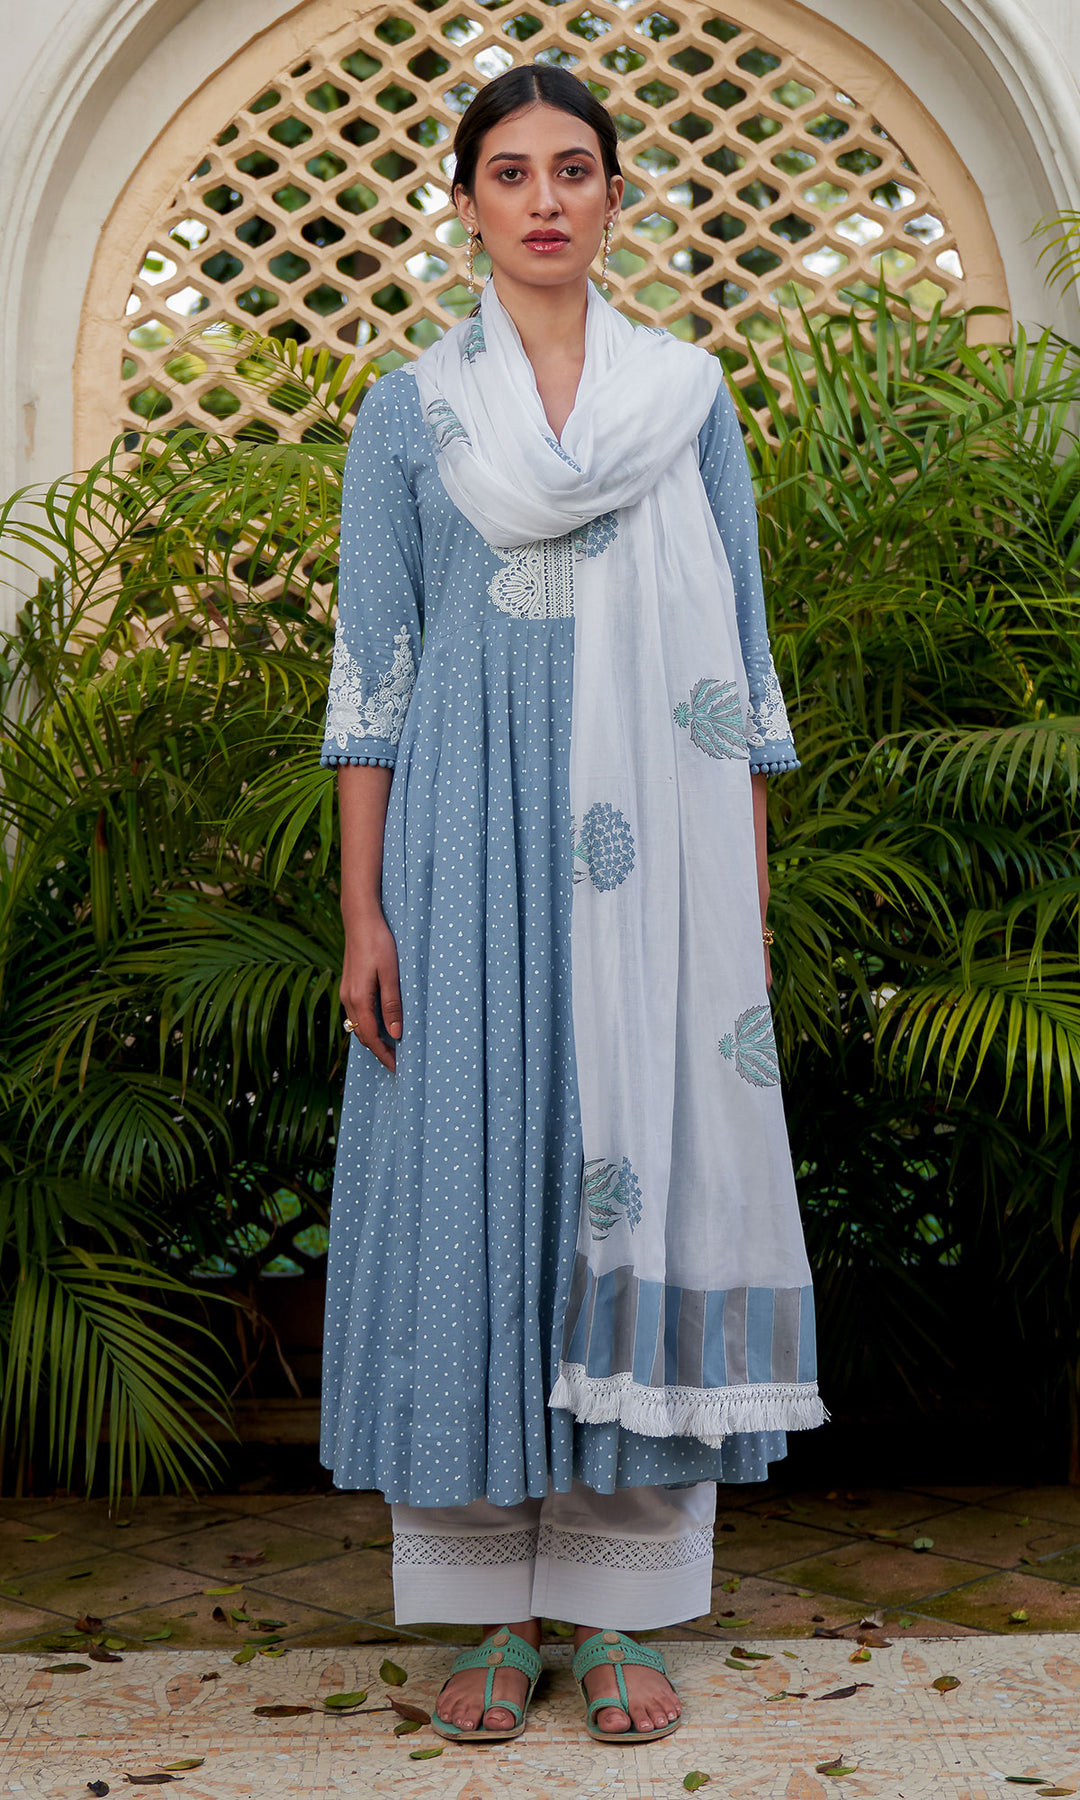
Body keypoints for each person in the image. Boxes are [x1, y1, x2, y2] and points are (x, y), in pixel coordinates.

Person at [318, 61, 825, 1745]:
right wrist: (364, 915)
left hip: (658, 867)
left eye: (575, 169)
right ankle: (491, 1610)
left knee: (640, 1188)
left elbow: (743, 669)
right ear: (464, 202)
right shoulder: (409, 415)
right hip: (459, 854)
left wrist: (741, 919)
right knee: (474, 1190)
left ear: (616, 197)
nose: (545, 199)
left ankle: (617, 1610)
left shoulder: (685, 401)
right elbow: (373, 681)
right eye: (512, 171)